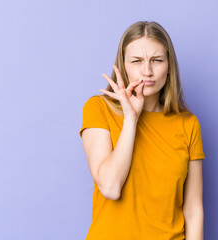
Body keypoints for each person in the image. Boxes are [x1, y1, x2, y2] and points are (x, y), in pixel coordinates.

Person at [79, 21, 205, 240]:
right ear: (123, 65)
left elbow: (193, 210)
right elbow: (110, 187)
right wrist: (131, 118)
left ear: (169, 67)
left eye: (157, 60)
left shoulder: (188, 124)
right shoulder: (99, 109)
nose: (147, 71)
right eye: (137, 61)